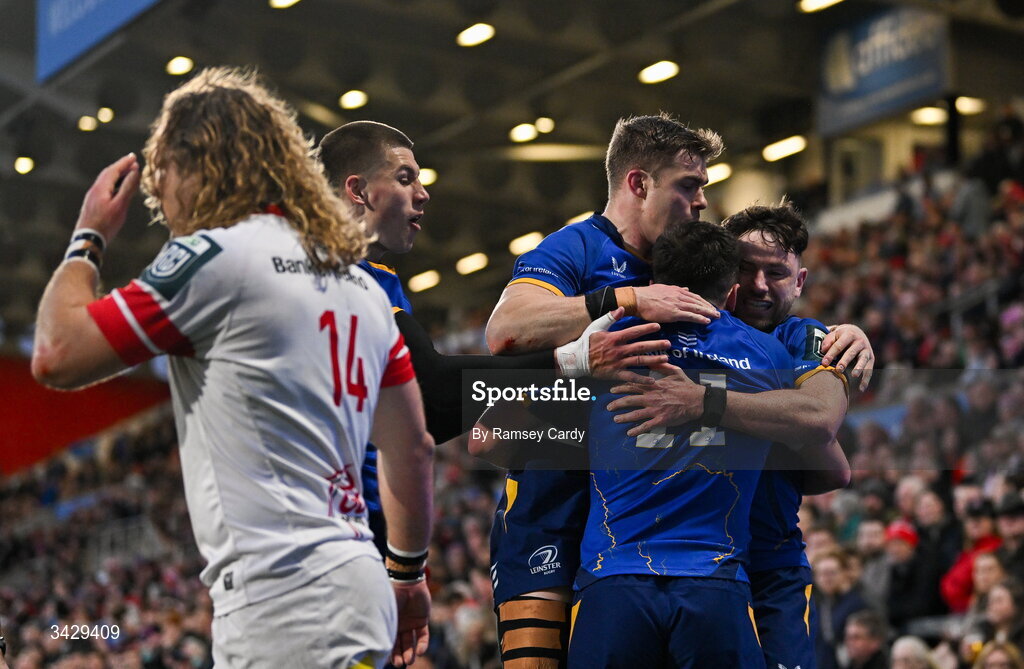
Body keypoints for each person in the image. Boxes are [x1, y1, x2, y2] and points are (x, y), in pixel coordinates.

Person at [31, 68, 434, 668]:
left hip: (281, 600)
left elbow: (56, 355)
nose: (162, 203)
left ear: (193, 168)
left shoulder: (215, 259)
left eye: (163, 180)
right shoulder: (361, 285)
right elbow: (413, 449)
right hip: (358, 583)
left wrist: (88, 236)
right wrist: (407, 576)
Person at [315, 120, 669, 551]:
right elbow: (436, 389)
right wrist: (575, 356)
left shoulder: (378, 280)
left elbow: (435, 417)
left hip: (363, 529)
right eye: (405, 178)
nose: (423, 194)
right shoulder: (321, 272)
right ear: (357, 190)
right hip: (320, 527)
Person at [484, 113, 724, 667]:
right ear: (638, 183)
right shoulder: (578, 250)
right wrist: (628, 300)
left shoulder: (695, 261)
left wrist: (836, 337)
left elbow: (772, 301)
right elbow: (505, 328)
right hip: (552, 510)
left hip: (652, 533)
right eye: (689, 186)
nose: (703, 202)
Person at [610, 202, 860, 669]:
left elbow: (825, 432)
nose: (760, 286)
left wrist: (705, 403)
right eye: (747, 270)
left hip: (769, 565)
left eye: (777, 273)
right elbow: (831, 465)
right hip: (675, 566)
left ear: (800, 281)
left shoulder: (802, 338)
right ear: (726, 272)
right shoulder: (658, 332)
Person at [567, 221, 798, 667]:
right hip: (716, 584)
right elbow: (832, 466)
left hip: (613, 580)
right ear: (732, 292)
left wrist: (572, 366)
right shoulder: (770, 356)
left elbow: (489, 437)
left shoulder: (604, 343)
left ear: (652, 282)